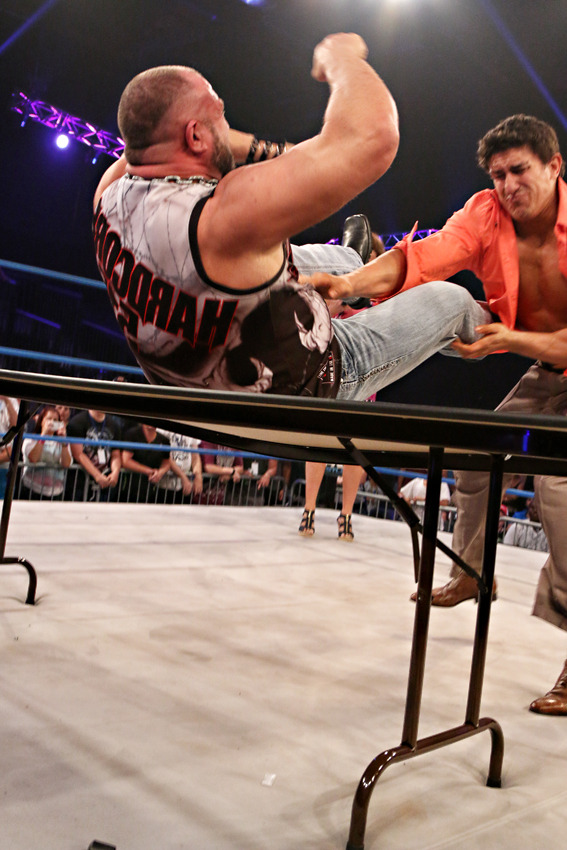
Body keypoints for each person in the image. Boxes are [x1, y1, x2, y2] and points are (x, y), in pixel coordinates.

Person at [309, 114, 567, 715]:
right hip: (542, 364)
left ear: (555, 166)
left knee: (558, 489)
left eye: (519, 170)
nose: (507, 185)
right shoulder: (486, 213)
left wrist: (512, 341)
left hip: (548, 351)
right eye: (498, 174)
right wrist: (348, 287)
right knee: (476, 457)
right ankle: (472, 570)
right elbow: (422, 258)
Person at [93, 33, 488, 407]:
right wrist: (340, 56)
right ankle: (501, 324)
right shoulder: (226, 216)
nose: (227, 125)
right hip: (297, 386)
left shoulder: (109, 194)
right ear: (196, 137)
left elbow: (153, 137)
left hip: (189, 383)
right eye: (221, 115)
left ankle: (354, 269)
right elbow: (374, 137)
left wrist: (286, 155)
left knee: (325, 258)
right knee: (450, 300)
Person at [121, 422, 192, 502]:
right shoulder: (132, 434)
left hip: (151, 489)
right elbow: (125, 461)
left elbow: (167, 461)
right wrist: (148, 471)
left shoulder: (164, 440)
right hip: (128, 487)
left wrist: (160, 472)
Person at [67, 408, 122, 501]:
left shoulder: (114, 425)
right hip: (80, 480)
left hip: (106, 479)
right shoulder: (77, 422)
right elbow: (78, 454)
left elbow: (115, 454)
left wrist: (115, 472)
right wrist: (97, 475)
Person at [21, 405, 72, 499]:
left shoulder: (63, 443)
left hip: (55, 492)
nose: (52, 422)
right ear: (42, 421)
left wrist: (64, 442)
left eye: (55, 420)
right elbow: (34, 459)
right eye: (49, 419)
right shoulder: (30, 439)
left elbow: (66, 464)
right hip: (32, 489)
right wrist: (43, 436)